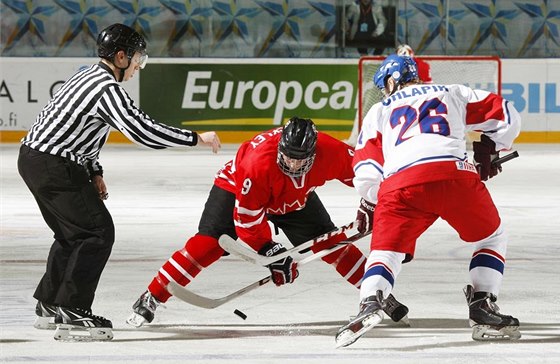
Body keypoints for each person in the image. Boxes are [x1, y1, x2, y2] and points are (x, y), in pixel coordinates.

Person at [17, 23, 221, 342]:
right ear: (121, 57)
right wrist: (195, 138)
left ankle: (50, 304)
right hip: (53, 164)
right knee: (96, 232)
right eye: (137, 58)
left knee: (73, 233)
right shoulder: (106, 89)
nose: (138, 66)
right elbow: (142, 131)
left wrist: (94, 171)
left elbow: (83, 131)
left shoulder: (88, 74)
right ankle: (72, 311)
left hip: (37, 158)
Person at [127, 117, 409, 328]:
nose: (294, 165)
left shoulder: (329, 150)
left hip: (294, 196)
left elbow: (368, 175)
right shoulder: (257, 164)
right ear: (280, 147)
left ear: (314, 150)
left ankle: (377, 292)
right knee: (209, 244)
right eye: (288, 157)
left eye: (302, 160)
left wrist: (378, 206)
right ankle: (152, 294)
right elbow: (247, 222)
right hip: (238, 188)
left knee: (333, 244)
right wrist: (270, 252)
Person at [335, 55, 521, 348]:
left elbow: (366, 172)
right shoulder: (452, 91)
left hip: (400, 186)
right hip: (453, 176)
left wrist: (376, 199)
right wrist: (490, 148)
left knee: (386, 251)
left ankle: (370, 301)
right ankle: (482, 305)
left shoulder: (378, 110)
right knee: (491, 237)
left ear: (392, 82)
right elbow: (506, 114)